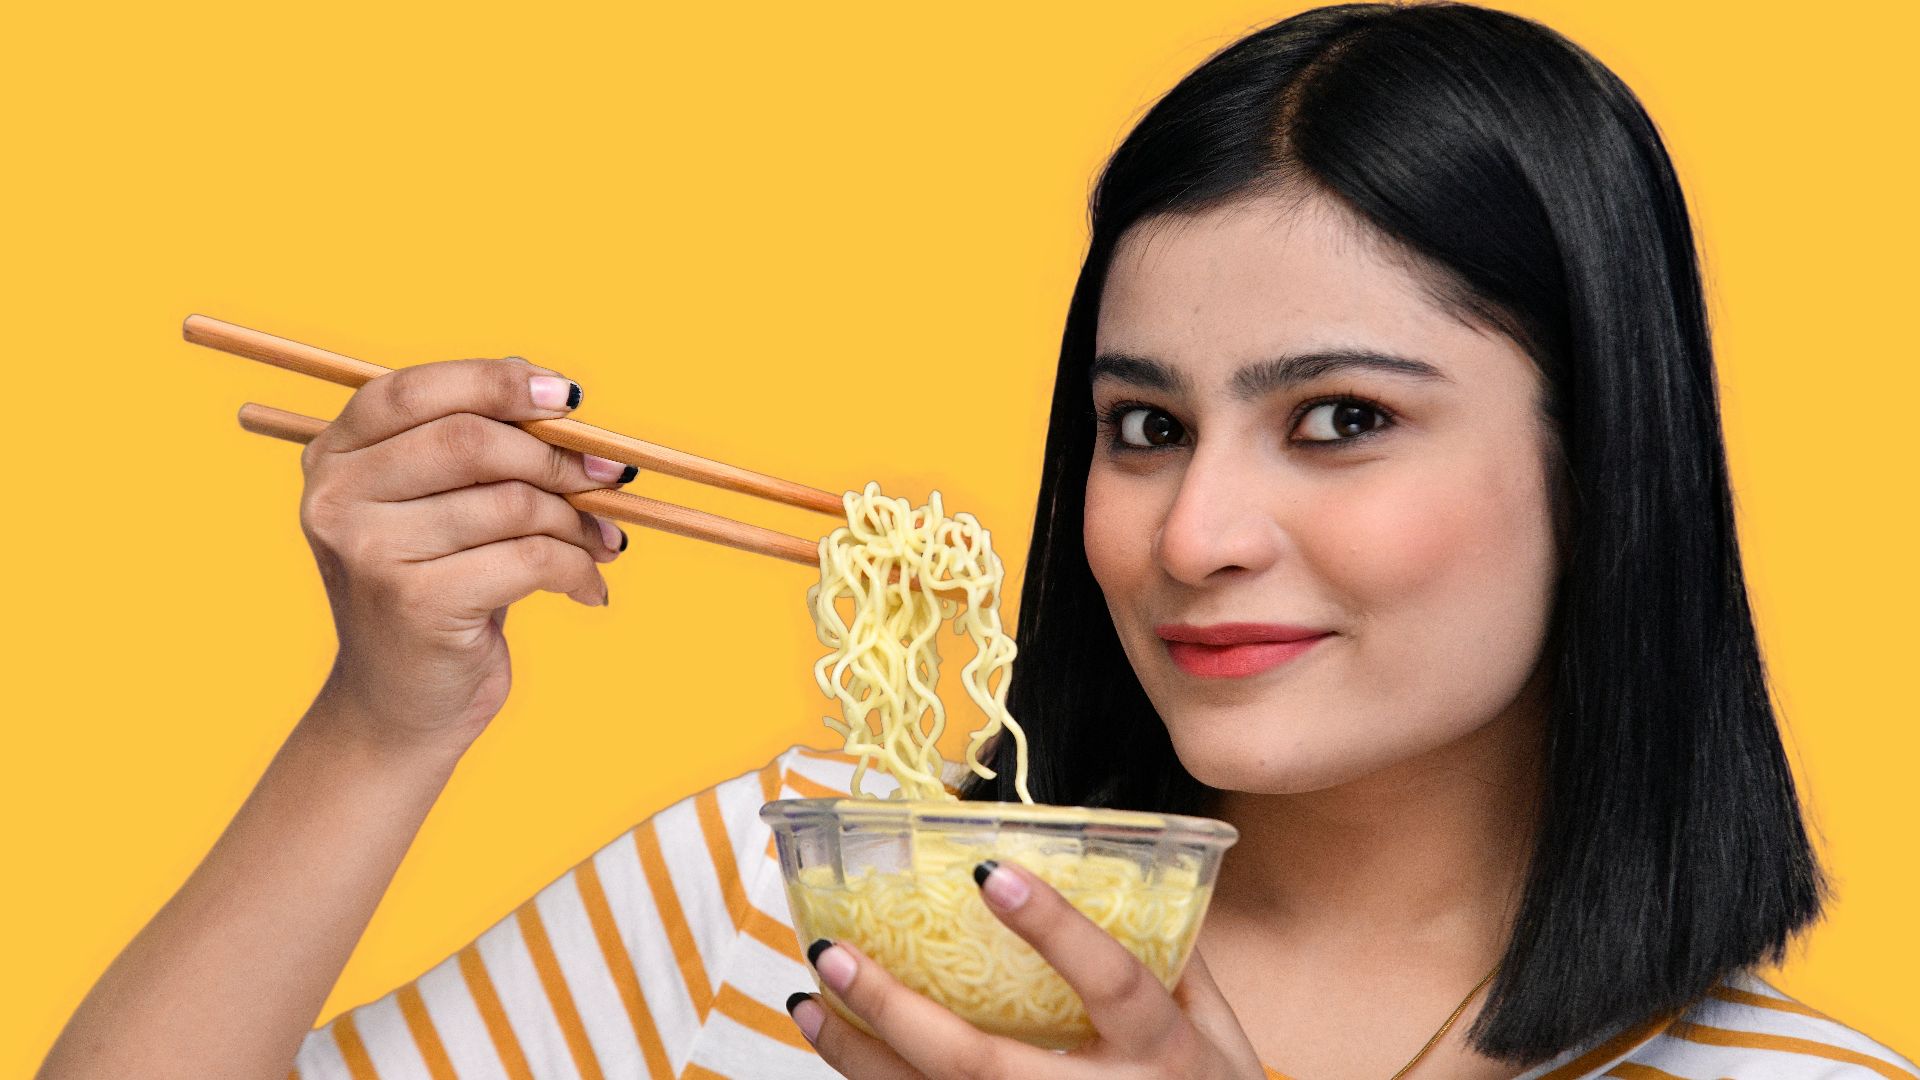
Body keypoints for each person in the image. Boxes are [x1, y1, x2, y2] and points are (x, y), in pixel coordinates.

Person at [37, 3, 1917, 1078]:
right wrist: (383, 724)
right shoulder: (796, 895)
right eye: (1144, 427)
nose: (1195, 532)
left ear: (1607, 463)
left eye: (1342, 419)